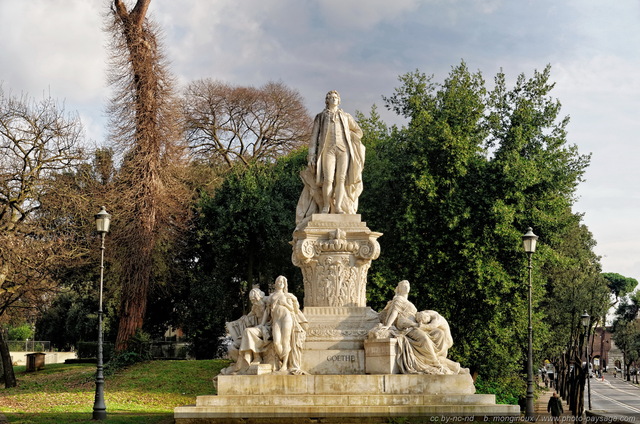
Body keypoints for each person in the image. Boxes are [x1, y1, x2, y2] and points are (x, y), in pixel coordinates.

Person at [296, 90, 365, 225]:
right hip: (327, 150)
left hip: (343, 149)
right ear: (327, 101)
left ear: (339, 101)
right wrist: (311, 155)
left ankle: (338, 207)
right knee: (328, 180)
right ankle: (326, 206)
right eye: (331, 97)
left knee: (341, 180)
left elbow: (358, 132)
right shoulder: (320, 117)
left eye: (336, 97)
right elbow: (314, 137)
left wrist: (351, 136)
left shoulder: (346, 116)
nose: (334, 99)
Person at [378, 280, 466, 375]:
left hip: (416, 325)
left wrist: (420, 325)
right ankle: (434, 362)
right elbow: (394, 313)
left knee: (439, 333)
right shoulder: (398, 299)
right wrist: (387, 325)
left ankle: (436, 357)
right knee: (424, 338)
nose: (406, 287)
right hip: (406, 326)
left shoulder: (407, 301)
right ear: (399, 288)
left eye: (408, 285)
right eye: (403, 285)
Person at [261, 275, 308, 373]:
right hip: (276, 320)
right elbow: (267, 311)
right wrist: (262, 323)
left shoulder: (288, 296)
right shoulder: (272, 296)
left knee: (285, 341)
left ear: (284, 284)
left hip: (287, 318)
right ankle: (281, 360)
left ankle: (285, 365)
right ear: (275, 284)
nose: (280, 283)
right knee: (277, 342)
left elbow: (294, 309)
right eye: (278, 281)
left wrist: (284, 303)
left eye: (282, 282)